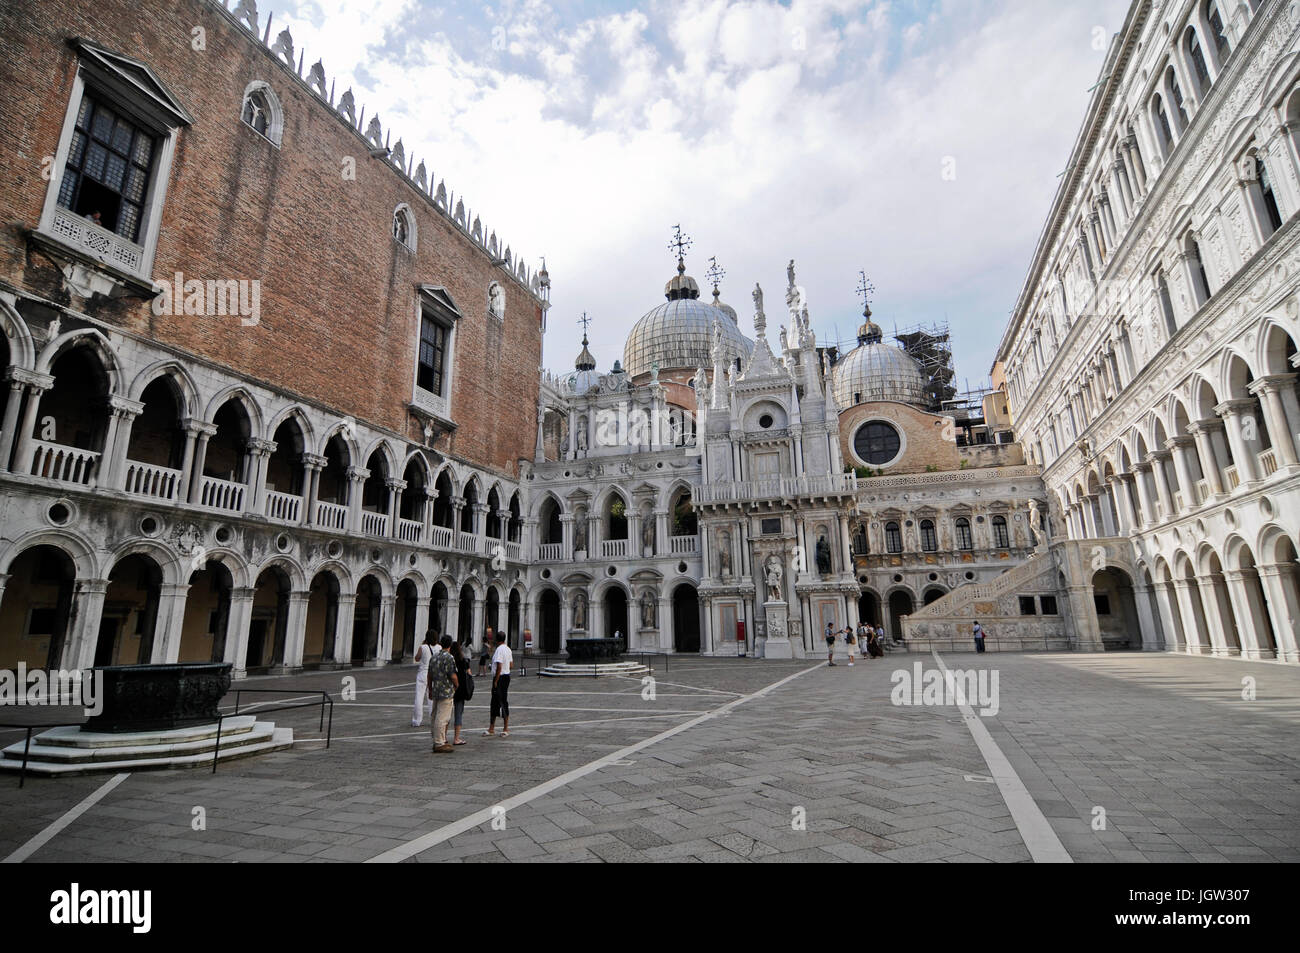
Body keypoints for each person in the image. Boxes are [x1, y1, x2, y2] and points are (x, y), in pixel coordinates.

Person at [427, 635, 459, 753]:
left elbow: (429, 675)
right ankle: (439, 742)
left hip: (436, 689)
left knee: (435, 715)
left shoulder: (434, 657)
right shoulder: (449, 657)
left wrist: (430, 689)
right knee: (442, 717)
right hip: (446, 690)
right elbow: (452, 675)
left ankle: (437, 738)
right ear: (450, 645)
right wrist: (457, 685)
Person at [484, 631, 513, 737]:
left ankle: (499, 728)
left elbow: (499, 666)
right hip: (506, 676)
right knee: (500, 701)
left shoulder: (499, 650)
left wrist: (496, 680)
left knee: (498, 702)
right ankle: (499, 727)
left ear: (497, 639)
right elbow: (511, 665)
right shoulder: (508, 649)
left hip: (499, 678)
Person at [411, 630, 439, 727]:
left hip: (423, 673)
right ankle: (433, 717)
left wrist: (423, 646)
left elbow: (417, 658)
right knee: (432, 697)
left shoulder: (423, 647)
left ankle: (417, 720)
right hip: (434, 673)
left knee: (419, 697)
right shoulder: (439, 647)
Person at [450, 641, 470, 746]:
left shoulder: (450, 660)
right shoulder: (463, 661)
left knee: (445, 714)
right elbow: (469, 673)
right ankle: (456, 738)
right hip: (460, 690)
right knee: (458, 713)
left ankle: (442, 737)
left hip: (448, 689)